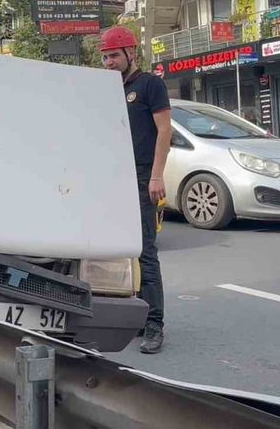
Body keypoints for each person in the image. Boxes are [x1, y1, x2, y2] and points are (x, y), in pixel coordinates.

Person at [101, 26, 172, 355]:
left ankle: (154, 324)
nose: (109, 62)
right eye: (105, 57)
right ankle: (135, 317)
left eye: (114, 56)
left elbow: (164, 131)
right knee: (122, 251)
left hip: (143, 175)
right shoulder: (108, 89)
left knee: (145, 251)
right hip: (116, 178)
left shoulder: (149, 85)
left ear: (131, 53)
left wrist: (156, 176)